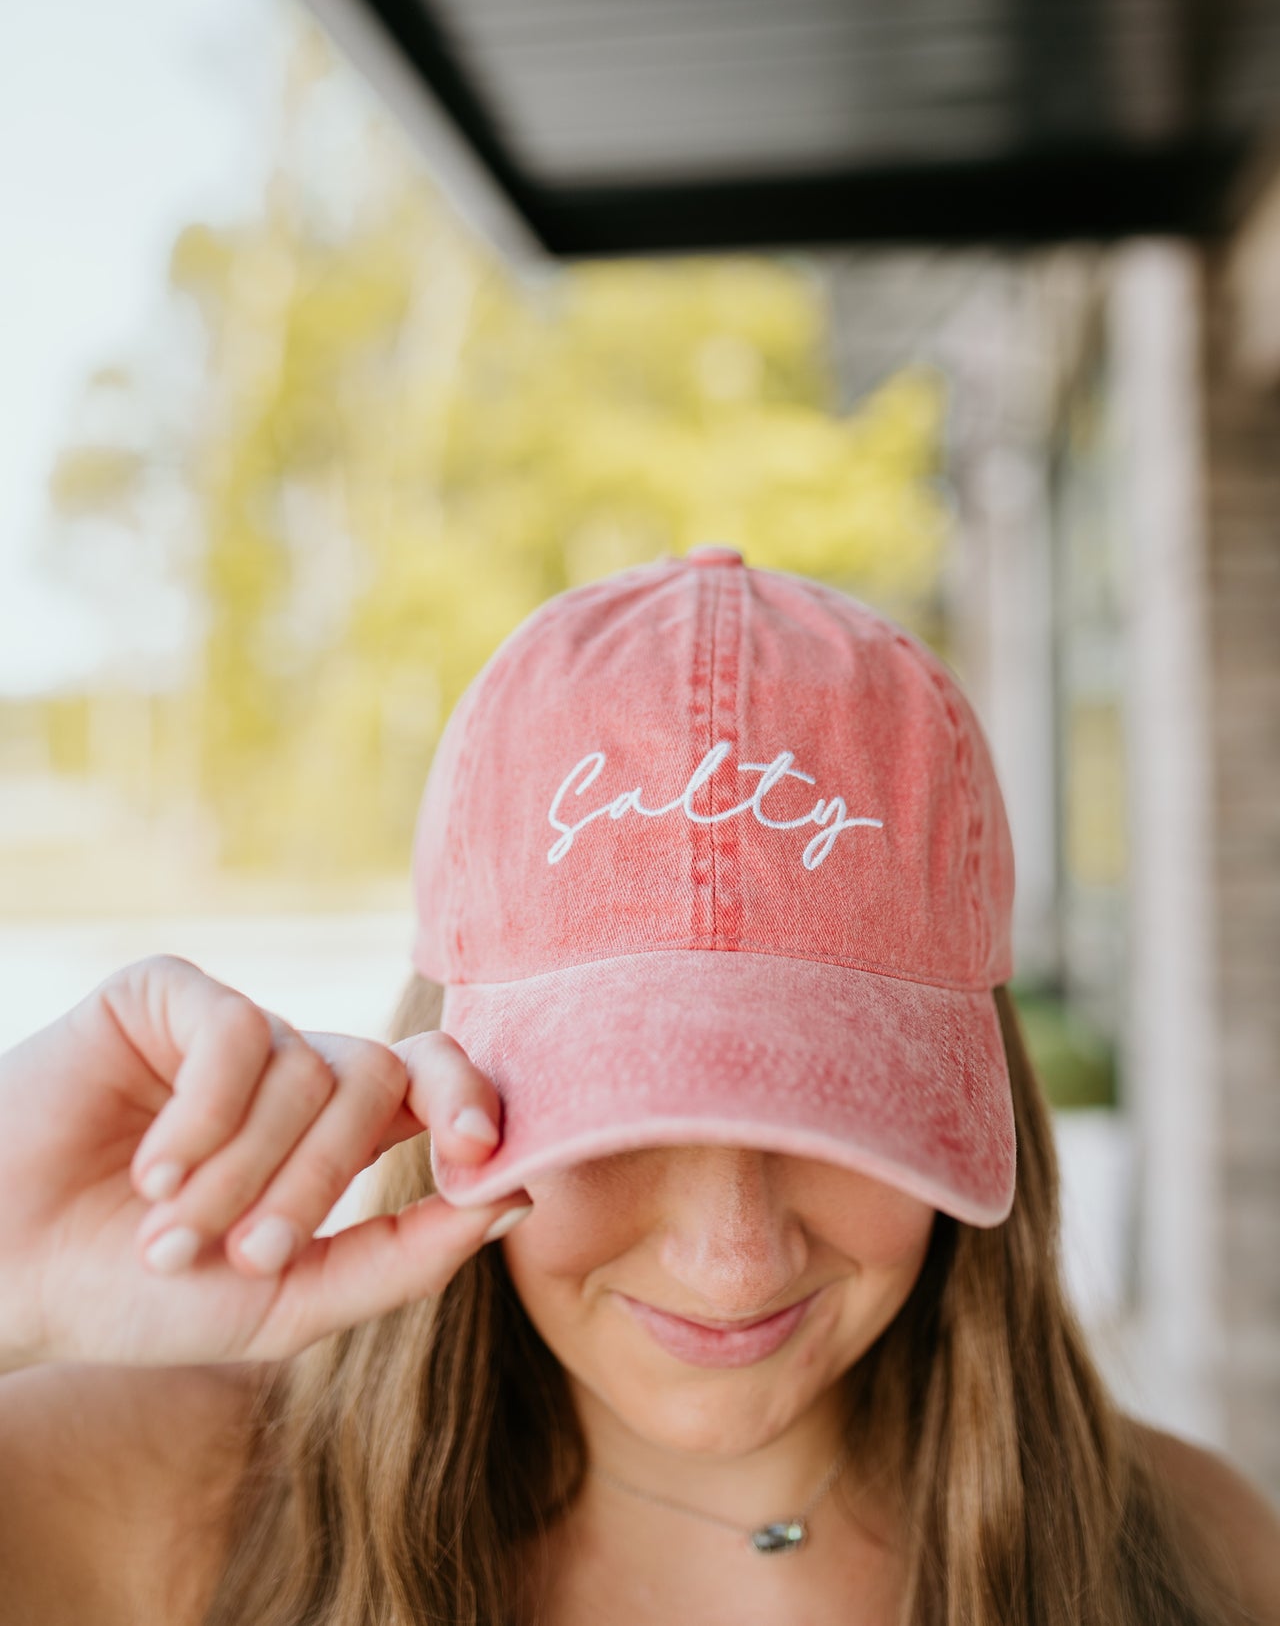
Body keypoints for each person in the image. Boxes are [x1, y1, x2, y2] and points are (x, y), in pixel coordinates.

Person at [0, 549, 1276, 1626]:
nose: (730, 1262)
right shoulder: (133, 1499)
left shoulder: (1198, 1556)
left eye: (834, 1105)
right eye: (617, 1111)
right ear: (438, 1074)